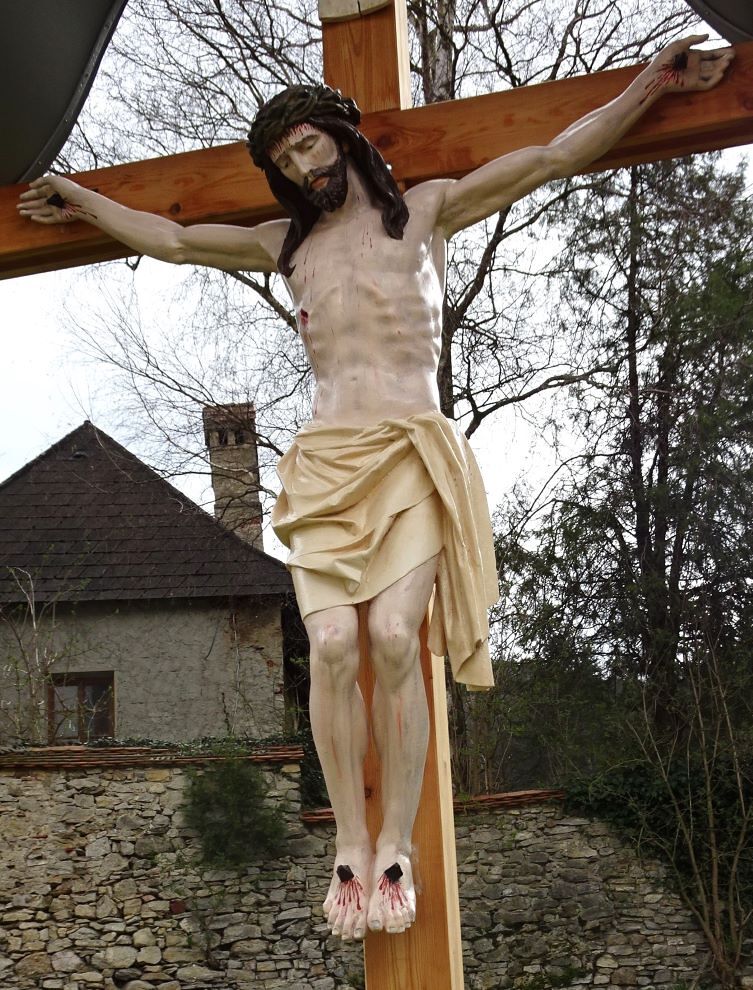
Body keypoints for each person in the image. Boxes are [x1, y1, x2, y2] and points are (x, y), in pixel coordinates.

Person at [17, 34, 734, 942]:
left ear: (342, 136)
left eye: (307, 145)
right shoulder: (284, 247)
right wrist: (81, 197)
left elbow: (552, 154)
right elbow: (174, 237)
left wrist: (650, 84)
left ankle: (395, 843)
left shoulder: (426, 212)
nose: (301, 167)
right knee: (329, 646)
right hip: (326, 464)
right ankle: (348, 845)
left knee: (394, 638)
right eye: (284, 162)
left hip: (406, 452)